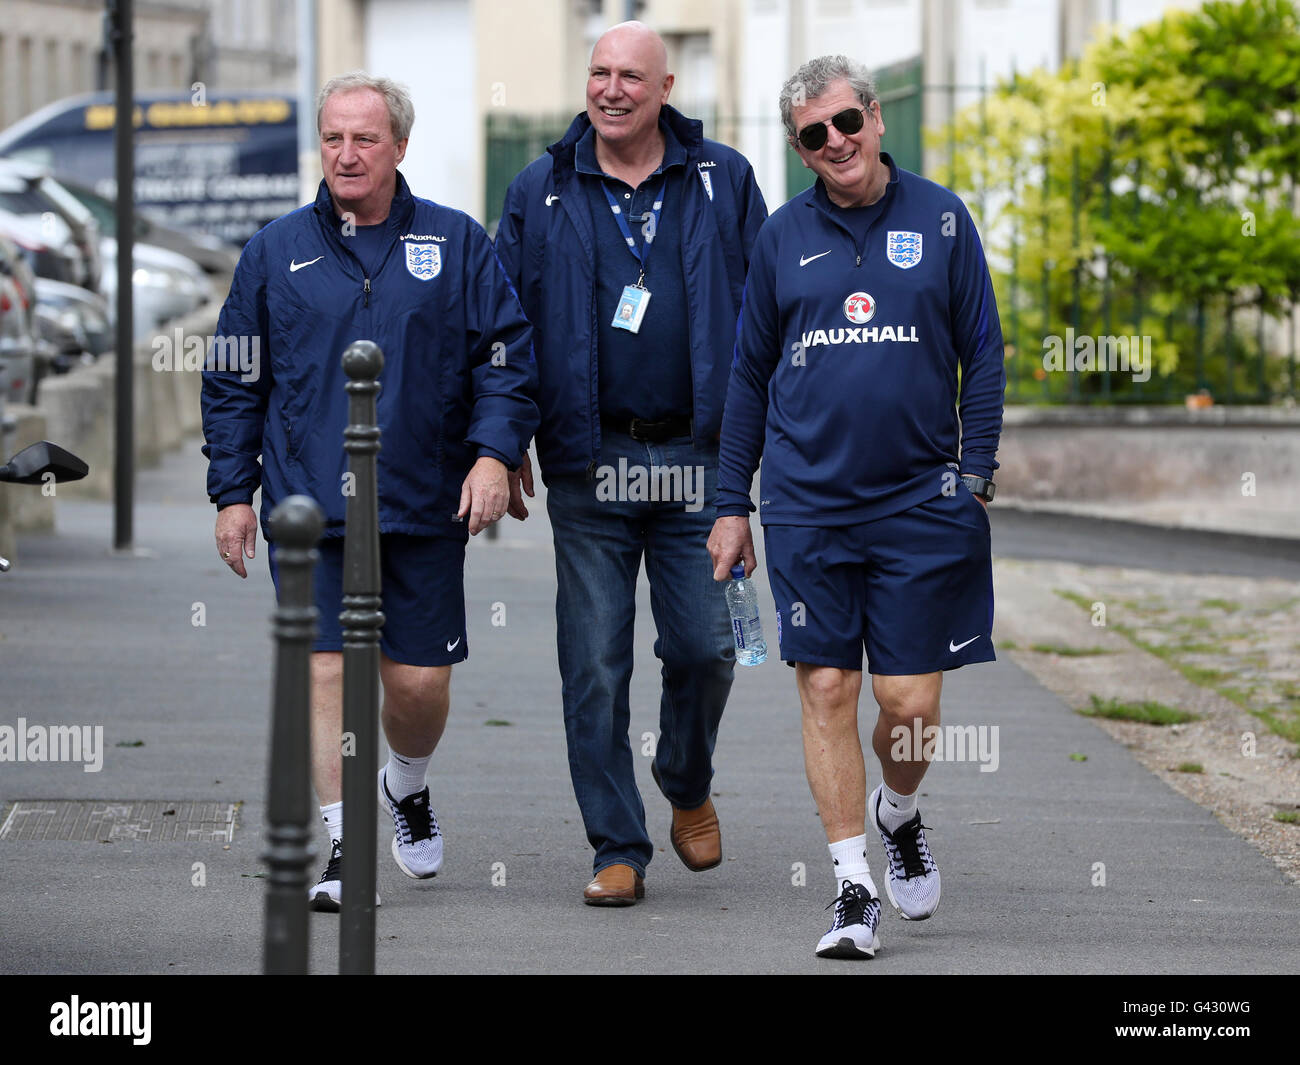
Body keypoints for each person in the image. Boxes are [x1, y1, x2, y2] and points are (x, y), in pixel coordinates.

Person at [202, 72, 538, 911]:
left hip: (424, 504)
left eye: (364, 139)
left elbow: (506, 358)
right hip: (308, 507)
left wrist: (494, 455)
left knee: (416, 685)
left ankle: (407, 785)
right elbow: (236, 380)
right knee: (324, 671)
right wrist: (232, 491)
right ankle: (346, 841)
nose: (346, 154)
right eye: (333, 138)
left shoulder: (458, 244)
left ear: (399, 146)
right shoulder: (275, 251)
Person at [708, 54, 1005, 958]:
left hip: (923, 503)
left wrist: (977, 473)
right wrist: (733, 502)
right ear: (800, 149)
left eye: (845, 122)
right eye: (812, 134)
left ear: (874, 119)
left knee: (909, 706)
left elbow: (982, 353)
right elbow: (748, 374)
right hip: (807, 505)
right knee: (827, 685)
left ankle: (900, 809)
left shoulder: (943, 219)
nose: (833, 142)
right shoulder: (779, 238)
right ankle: (850, 885)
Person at [494, 21, 767, 906]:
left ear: (666, 85)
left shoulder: (724, 179)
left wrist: (755, 458)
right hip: (589, 458)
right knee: (595, 662)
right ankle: (618, 844)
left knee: (708, 648)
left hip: (697, 458)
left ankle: (685, 776)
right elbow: (503, 329)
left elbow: (767, 322)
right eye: (599, 73)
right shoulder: (540, 189)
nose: (611, 90)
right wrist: (504, 441)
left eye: (630, 76)